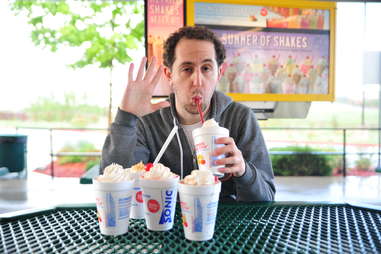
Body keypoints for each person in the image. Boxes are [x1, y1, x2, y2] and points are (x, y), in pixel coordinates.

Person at [100, 26, 275, 201]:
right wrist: (126, 119)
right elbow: (114, 193)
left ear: (219, 73)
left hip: (224, 223)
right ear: (169, 75)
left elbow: (266, 197)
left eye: (206, 68)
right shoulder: (147, 121)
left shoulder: (240, 118)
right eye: (187, 69)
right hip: (162, 222)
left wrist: (244, 170)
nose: (197, 81)